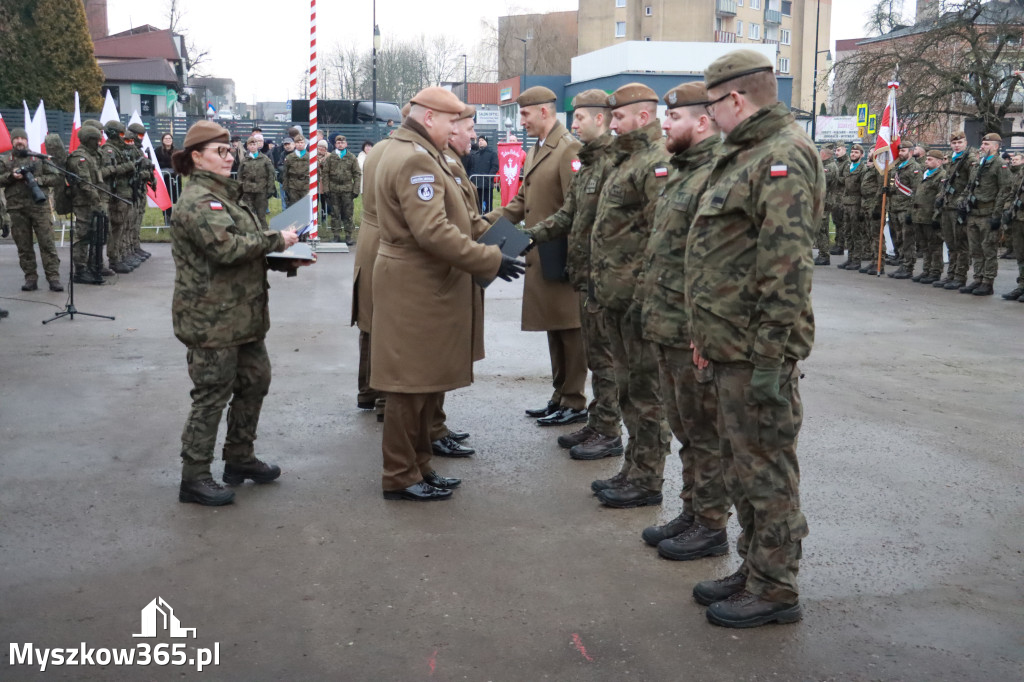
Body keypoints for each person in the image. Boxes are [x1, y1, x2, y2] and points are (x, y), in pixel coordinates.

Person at [685, 49, 822, 628]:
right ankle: (755, 566)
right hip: (728, 346)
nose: (709, 116)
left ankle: (776, 587)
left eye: (712, 105)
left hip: (756, 353)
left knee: (766, 471)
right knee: (742, 468)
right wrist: (704, 333)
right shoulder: (743, 153)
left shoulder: (782, 154)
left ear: (735, 99)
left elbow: (785, 267)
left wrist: (769, 357)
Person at [371, 87, 523, 502]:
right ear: (431, 118)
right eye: (454, 122)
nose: (461, 130)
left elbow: (457, 219)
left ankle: (419, 465)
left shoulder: (422, 152)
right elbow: (432, 231)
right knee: (407, 385)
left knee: (422, 383)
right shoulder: (416, 158)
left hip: (421, 282)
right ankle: (400, 474)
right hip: (415, 284)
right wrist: (488, 259)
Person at [170, 120, 311, 506]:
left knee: (254, 382)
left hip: (243, 315)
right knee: (212, 395)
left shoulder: (228, 196)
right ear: (197, 157)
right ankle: (194, 476)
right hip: (211, 320)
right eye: (221, 151)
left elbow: (247, 249)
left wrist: (284, 258)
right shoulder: (200, 200)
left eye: (230, 150)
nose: (229, 157)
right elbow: (227, 249)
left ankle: (239, 459)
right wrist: (275, 239)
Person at [639, 82, 731, 560]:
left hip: (688, 328)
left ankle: (711, 524)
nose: (664, 126)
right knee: (685, 431)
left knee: (704, 434)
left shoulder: (712, 173)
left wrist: (703, 329)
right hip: (666, 322)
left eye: (672, 119)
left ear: (701, 121)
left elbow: (712, 263)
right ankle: (693, 511)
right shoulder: (680, 172)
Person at [523, 89, 622, 461]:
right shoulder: (591, 162)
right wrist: (528, 236)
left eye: (579, 117)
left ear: (600, 118)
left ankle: (600, 422)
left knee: (601, 357)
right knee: (593, 354)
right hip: (584, 271)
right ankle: (597, 421)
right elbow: (570, 215)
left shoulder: (607, 161)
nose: (573, 123)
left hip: (602, 274)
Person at [588, 83, 671, 510]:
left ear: (642, 117)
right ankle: (633, 468)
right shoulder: (626, 160)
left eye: (618, 117)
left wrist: (643, 296)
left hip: (637, 300)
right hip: (615, 297)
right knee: (627, 390)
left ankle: (648, 477)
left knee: (646, 394)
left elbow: (659, 236)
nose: (612, 123)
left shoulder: (656, 162)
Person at [484, 86, 587, 427]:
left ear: (544, 112)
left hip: (562, 255)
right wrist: (481, 225)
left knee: (570, 330)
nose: (521, 120)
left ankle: (574, 400)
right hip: (542, 253)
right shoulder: (537, 149)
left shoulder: (567, 147)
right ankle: (559, 396)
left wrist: (575, 260)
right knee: (554, 328)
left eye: (525, 114)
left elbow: (578, 210)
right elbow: (520, 203)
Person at [0, 127, 63, 291]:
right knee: (24, 246)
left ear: (27, 140)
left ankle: (53, 277)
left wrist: (37, 180)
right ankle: (30, 278)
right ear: (12, 141)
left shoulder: (38, 158)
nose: (19, 141)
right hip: (17, 209)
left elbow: (56, 176)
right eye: (16, 139)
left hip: (39, 207)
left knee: (47, 243)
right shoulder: (5, 161)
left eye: (22, 138)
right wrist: (11, 176)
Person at [958, 133, 1011, 297]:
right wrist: (962, 200)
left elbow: (1005, 191)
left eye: (987, 144)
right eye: (982, 144)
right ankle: (978, 278)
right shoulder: (978, 165)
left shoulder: (999, 165)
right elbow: (970, 186)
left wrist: (997, 215)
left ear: (996, 147)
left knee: (989, 250)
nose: (982, 147)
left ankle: (988, 282)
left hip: (988, 214)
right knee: (975, 250)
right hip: (973, 213)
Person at [66, 125, 109, 285]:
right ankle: (80, 270)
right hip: (84, 203)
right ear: (88, 140)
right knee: (82, 236)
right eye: (96, 140)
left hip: (92, 202)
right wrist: (97, 202)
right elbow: (85, 184)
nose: (99, 143)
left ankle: (92, 266)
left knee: (94, 234)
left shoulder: (92, 155)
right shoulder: (80, 158)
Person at [935, 132, 976, 290]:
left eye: (960, 142)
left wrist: (962, 202)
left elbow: (971, 183)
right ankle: (951, 274)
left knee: (961, 244)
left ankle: (960, 276)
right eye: (954, 143)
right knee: (950, 243)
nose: (957, 145)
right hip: (947, 206)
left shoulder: (969, 159)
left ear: (965, 142)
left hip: (958, 207)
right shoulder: (952, 159)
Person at [101, 120, 138, 274]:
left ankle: (119, 256)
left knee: (122, 226)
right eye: (121, 134)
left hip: (124, 192)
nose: (124, 137)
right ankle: (114, 259)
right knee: (116, 227)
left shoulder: (119, 149)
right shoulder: (108, 150)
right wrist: (127, 167)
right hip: (116, 194)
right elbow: (105, 171)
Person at [910, 149, 947, 285]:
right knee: (924, 246)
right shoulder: (924, 174)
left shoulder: (941, 175)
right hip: (920, 216)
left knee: (934, 246)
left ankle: (935, 271)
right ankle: (926, 270)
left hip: (931, 216)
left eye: (930, 159)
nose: (926, 161)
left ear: (939, 161)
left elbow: (940, 197)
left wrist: (936, 217)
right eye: (926, 159)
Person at [886, 141, 922, 279]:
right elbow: (891, 183)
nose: (900, 153)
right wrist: (888, 189)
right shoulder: (896, 168)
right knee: (898, 238)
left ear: (911, 152)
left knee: (907, 240)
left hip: (906, 209)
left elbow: (916, 191)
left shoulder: (915, 168)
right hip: (894, 207)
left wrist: (911, 211)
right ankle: (901, 262)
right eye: (899, 151)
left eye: (903, 151)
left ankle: (908, 266)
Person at [323, 134, 361, 244]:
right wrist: (326, 189)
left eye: (342, 142)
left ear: (346, 144)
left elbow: (357, 174)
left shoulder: (351, 157)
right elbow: (325, 174)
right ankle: (336, 236)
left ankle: (349, 236)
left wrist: (355, 189)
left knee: (348, 214)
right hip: (334, 189)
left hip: (347, 189)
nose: (340, 144)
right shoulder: (330, 157)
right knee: (335, 213)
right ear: (335, 144)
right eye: (338, 143)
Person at [837, 144, 865, 270]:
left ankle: (856, 260)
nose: (853, 154)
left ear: (861, 155)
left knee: (856, 233)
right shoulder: (848, 167)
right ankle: (850, 258)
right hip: (846, 202)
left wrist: (862, 208)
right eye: (852, 152)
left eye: (856, 152)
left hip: (856, 203)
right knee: (847, 232)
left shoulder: (863, 169)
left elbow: (863, 189)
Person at [238, 136, 276, 228]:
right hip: (247, 191)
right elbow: (240, 175)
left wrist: (270, 189)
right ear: (247, 147)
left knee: (261, 216)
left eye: (254, 144)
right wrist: (240, 188)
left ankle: (264, 235)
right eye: (250, 145)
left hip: (261, 191)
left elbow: (271, 174)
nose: (252, 146)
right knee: (248, 215)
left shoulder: (265, 159)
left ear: (257, 145)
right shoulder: (244, 160)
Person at [1002, 152, 1024, 301]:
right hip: (1018, 218)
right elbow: (1013, 193)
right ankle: (1022, 285)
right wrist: (1008, 209)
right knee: (1021, 255)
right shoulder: (1020, 173)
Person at [814, 144, 839, 265]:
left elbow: (820, 182)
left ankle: (824, 255)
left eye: (820, 153)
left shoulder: (829, 168)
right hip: (824, 200)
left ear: (823, 154)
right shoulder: (827, 166)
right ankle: (822, 254)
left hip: (825, 201)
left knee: (822, 229)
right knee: (821, 228)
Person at [156, 132, 179, 223]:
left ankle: (176, 219)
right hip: (164, 179)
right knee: (166, 199)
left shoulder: (176, 151)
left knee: (176, 198)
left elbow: (177, 163)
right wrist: (169, 164)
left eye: (169, 138)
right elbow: (157, 163)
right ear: (162, 140)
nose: (168, 140)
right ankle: (167, 218)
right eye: (166, 138)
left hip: (175, 179)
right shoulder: (158, 150)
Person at [471, 136, 499, 213]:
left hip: (487, 184)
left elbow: (495, 166)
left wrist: (488, 177)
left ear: (486, 142)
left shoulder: (492, 154)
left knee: (488, 204)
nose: (480, 142)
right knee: (477, 203)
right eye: (479, 140)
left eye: (482, 140)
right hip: (476, 183)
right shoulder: (475, 155)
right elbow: (472, 168)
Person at [282, 136, 310, 207]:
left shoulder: (310, 156)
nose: (300, 144)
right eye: (298, 143)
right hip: (293, 185)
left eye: (301, 142)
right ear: (294, 144)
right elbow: (285, 173)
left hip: (306, 185)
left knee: (305, 205)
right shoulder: (289, 157)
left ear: (305, 144)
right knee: (294, 205)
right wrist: (285, 187)